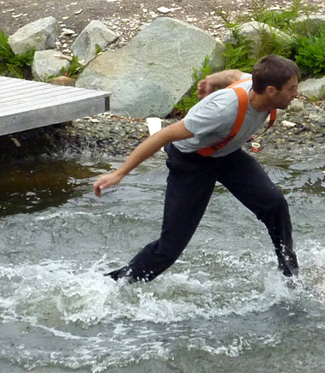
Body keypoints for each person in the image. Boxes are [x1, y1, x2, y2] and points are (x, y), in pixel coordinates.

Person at [92, 54, 301, 281]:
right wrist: (119, 173)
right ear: (271, 90)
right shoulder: (221, 111)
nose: (296, 94)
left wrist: (210, 79)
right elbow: (164, 135)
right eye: (291, 89)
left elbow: (232, 75)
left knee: (274, 205)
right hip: (190, 163)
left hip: (227, 155)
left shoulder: (257, 84)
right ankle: (115, 284)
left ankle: (291, 276)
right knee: (169, 248)